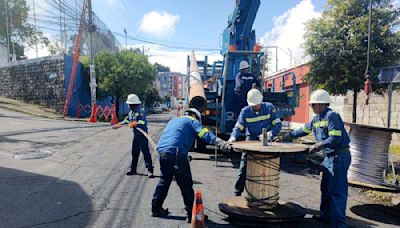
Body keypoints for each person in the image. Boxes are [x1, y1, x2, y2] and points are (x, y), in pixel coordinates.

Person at [281, 89, 351, 227]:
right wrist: (287, 136)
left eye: (314, 104)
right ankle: (326, 216)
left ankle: (339, 223)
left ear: (323, 104)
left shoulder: (332, 116)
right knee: (325, 188)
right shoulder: (317, 119)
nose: (312, 107)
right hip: (328, 157)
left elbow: (335, 138)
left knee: (337, 191)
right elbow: (303, 130)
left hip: (338, 156)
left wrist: (319, 145)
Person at [151, 108, 231, 222]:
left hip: (163, 152)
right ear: (196, 116)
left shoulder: (174, 120)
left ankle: (156, 209)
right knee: (186, 184)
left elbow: (175, 138)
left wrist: (182, 156)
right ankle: (191, 213)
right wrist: (220, 143)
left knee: (164, 181)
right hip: (176, 153)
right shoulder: (192, 121)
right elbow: (205, 134)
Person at [228, 88, 282, 196]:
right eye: (253, 105)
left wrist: (270, 134)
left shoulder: (269, 108)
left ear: (261, 102)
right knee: (243, 169)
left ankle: (264, 194)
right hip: (250, 140)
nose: (255, 107)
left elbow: (277, 125)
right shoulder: (245, 111)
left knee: (266, 168)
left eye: (257, 104)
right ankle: (237, 193)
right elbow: (239, 126)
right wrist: (233, 137)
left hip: (265, 141)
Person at [113, 94, 154, 178]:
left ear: (133, 104)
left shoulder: (141, 111)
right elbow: (126, 121)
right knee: (134, 153)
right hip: (136, 136)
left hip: (142, 135)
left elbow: (143, 122)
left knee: (146, 153)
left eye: (129, 104)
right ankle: (133, 169)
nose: (128, 106)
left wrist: (134, 123)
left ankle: (150, 170)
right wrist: (118, 125)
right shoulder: (131, 113)